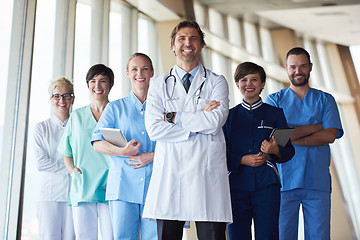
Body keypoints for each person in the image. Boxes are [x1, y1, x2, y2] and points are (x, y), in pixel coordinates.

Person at [142, 20, 232, 240]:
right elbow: (154, 129)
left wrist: (173, 118)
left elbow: (215, 121)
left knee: (212, 235)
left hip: (206, 172)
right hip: (171, 172)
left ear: (201, 45)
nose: (187, 43)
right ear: (173, 45)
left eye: (193, 38)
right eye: (181, 38)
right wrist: (198, 121)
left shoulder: (217, 82)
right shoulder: (158, 84)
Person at [265, 47, 344, 240]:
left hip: (316, 182)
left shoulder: (326, 100)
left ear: (310, 67)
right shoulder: (275, 100)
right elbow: (276, 138)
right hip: (283, 182)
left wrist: (290, 135)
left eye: (302, 66)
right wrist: (316, 126)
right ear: (286, 68)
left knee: (319, 236)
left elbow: (329, 136)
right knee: (283, 236)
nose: (297, 71)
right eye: (293, 67)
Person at [223, 62, 295, 240]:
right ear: (237, 84)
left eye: (254, 79)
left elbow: (289, 151)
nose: (249, 83)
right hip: (236, 186)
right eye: (244, 79)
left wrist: (276, 149)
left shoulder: (276, 114)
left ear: (262, 83)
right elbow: (219, 154)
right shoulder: (228, 117)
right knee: (237, 235)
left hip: (267, 185)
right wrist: (241, 159)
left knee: (268, 235)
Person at [91, 53, 157, 240]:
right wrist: (123, 151)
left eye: (145, 68)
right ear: (127, 73)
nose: (140, 73)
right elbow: (97, 143)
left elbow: (177, 143)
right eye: (134, 69)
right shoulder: (115, 108)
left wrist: (152, 155)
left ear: (152, 72)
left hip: (155, 185)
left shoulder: (163, 108)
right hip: (122, 187)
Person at [57, 64, 114, 240]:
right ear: (88, 85)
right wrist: (72, 170)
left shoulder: (117, 112)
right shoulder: (77, 116)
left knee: (111, 236)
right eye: (93, 81)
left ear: (110, 84)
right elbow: (67, 151)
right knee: (84, 236)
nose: (97, 86)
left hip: (111, 186)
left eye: (102, 81)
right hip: (83, 186)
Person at [33, 77, 75, 240]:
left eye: (66, 95)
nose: (61, 100)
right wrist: (71, 168)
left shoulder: (78, 125)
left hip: (73, 194)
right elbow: (41, 163)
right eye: (57, 96)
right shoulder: (41, 128)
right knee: (49, 236)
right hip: (48, 195)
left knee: (71, 237)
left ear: (72, 98)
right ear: (51, 99)